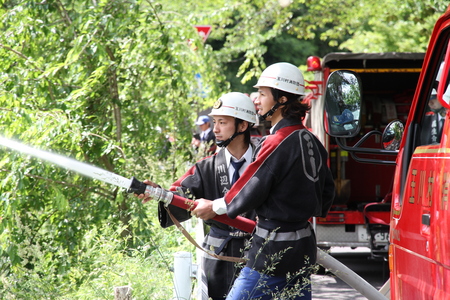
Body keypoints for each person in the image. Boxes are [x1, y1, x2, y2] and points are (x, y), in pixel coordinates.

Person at [193, 62, 335, 300]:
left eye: (261, 94)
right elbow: (327, 192)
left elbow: (249, 187)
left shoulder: (276, 141)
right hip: (303, 248)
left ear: (281, 100)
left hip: (272, 252)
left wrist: (215, 206)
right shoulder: (310, 140)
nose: (256, 100)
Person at [137, 92, 257, 300]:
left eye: (222, 122)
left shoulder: (265, 161)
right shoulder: (206, 166)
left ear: (242, 126)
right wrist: (159, 192)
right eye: (214, 122)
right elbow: (181, 193)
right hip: (220, 255)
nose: (215, 129)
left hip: (259, 251)